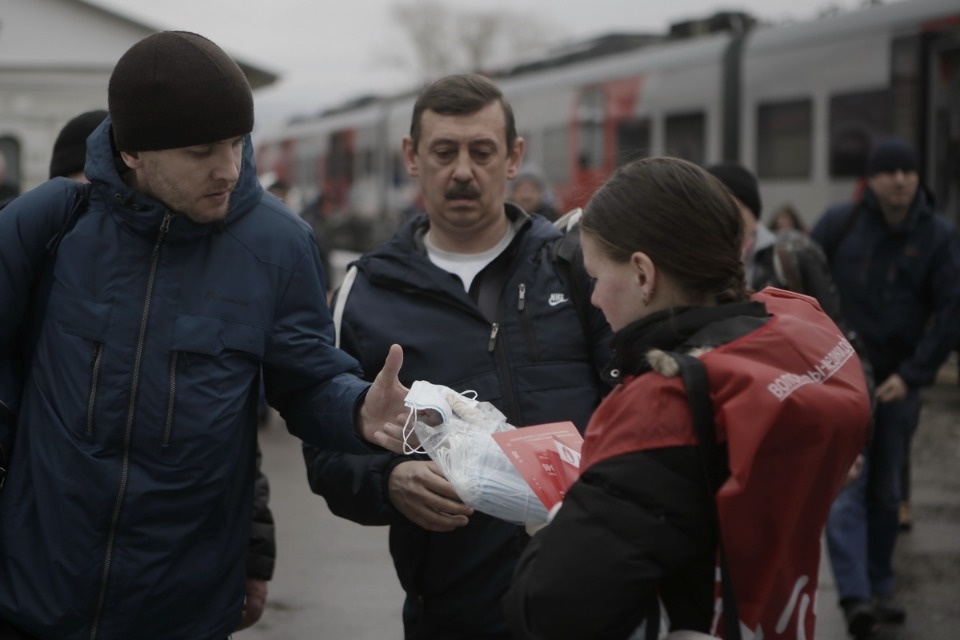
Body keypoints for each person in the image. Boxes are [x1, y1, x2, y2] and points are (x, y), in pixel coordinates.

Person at [0, 31, 409, 640]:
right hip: (34, 595)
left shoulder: (278, 246)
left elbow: (306, 381)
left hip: (181, 609)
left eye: (237, 143)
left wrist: (355, 409)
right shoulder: (53, 224)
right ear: (134, 152)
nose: (229, 169)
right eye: (201, 151)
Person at [503, 156, 871, 639]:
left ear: (643, 274)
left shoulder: (663, 407)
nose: (592, 299)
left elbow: (548, 608)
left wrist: (553, 523)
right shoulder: (791, 334)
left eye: (595, 277)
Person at [303, 73, 613, 639]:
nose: (464, 171)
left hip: (595, 602)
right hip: (456, 613)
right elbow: (327, 451)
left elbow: (640, 413)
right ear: (412, 157)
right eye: (444, 152)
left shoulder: (579, 269)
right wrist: (389, 481)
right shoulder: (367, 292)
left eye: (482, 151)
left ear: (514, 157)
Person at [811, 138, 960, 638]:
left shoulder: (938, 235)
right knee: (847, 486)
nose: (900, 179)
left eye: (909, 170)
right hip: (844, 376)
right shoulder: (840, 225)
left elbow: (950, 312)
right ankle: (855, 596)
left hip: (899, 383)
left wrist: (914, 375)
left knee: (885, 491)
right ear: (871, 180)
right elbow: (805, 291)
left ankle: (880, 587)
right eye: (889, 170)